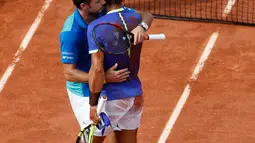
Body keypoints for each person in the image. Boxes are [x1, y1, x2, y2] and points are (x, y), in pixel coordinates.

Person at [59, 0, 153, 142]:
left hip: (107, 87)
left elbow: (145, 15)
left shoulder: (102, 10)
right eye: (97, 0)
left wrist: (141, 27)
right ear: (84, 6)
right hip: (84, 91)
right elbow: (69, 73)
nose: (103, 1)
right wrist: (104, 78)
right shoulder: (71, 33)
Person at [87, 0, 153, 142]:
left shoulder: (96, 27)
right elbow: (148, 15)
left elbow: (97, 69)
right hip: (135, 94)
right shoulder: (135, 18)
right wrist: (142, 27)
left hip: (112, 99)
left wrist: (93, 104)